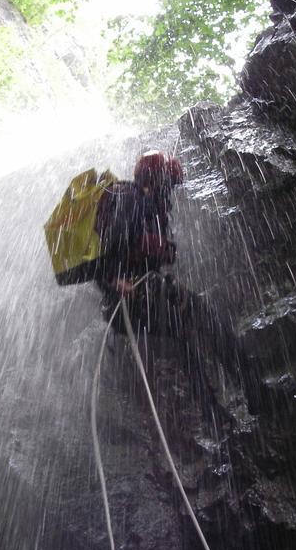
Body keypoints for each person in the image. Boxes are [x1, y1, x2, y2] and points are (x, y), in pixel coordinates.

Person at [93, 150, 262, 416]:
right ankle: (224, 408)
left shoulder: (148, 204)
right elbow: (107, 248)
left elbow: (141, 253)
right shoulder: (130, 199)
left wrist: (161, 253)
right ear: (156, 179)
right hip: (127, 302)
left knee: (199, 323)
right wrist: (116, 282)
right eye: (169, 183)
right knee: (196, 326)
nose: (170, 190)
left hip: (145, 292)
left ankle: (234, 401)